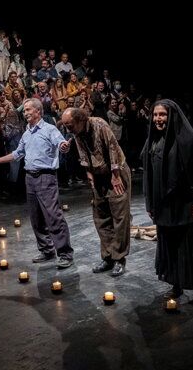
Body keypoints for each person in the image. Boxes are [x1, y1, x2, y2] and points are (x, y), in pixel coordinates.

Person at [141, 99, 193, 307]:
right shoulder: (153, 140)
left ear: (172, 115)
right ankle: (176, 284)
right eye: (155, 115)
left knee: (192, 247)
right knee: (170, 247)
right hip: (163, 207)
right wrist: (150, 203)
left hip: (185, 205)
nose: (158, 119)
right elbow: (148, 173)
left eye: (162, 115)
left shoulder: (188, 139)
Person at [0, 98, 74, 269]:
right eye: (24, 110)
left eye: (28, 110)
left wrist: (64, 146)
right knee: (36, 217)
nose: (25, 113)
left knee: (53, 216)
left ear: (38, 111)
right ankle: (46, 250)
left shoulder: (49, 129)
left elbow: (61, 143)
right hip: (30, 178)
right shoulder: (26, 134)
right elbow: (17, 153)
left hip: (46, 176)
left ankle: (65, 254)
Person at [61, 107, 131, 276]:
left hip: (115, 173)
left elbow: (113, 148)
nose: (67, 129)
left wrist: (115, 176)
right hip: (98, 176)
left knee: (120, 217)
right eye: (65, 126)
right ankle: (107, 257)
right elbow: (83, 154)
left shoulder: (100, 125)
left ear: (80, 120)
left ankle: (119, 259)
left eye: (69, 125)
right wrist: (89, 174)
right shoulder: (76, 133)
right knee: (101, 217)